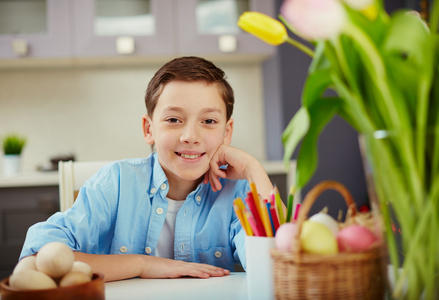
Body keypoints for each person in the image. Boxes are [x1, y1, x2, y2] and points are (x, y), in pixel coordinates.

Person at [20, 56, 274, 282]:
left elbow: (277, 267)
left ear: (227, 132)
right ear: (148, 129)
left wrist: (255, 170)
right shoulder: (115, 184)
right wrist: (142, 264)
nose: (190, 136)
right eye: (174, 119)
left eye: (208, 121)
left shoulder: (239, 193)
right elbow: (38, 256)